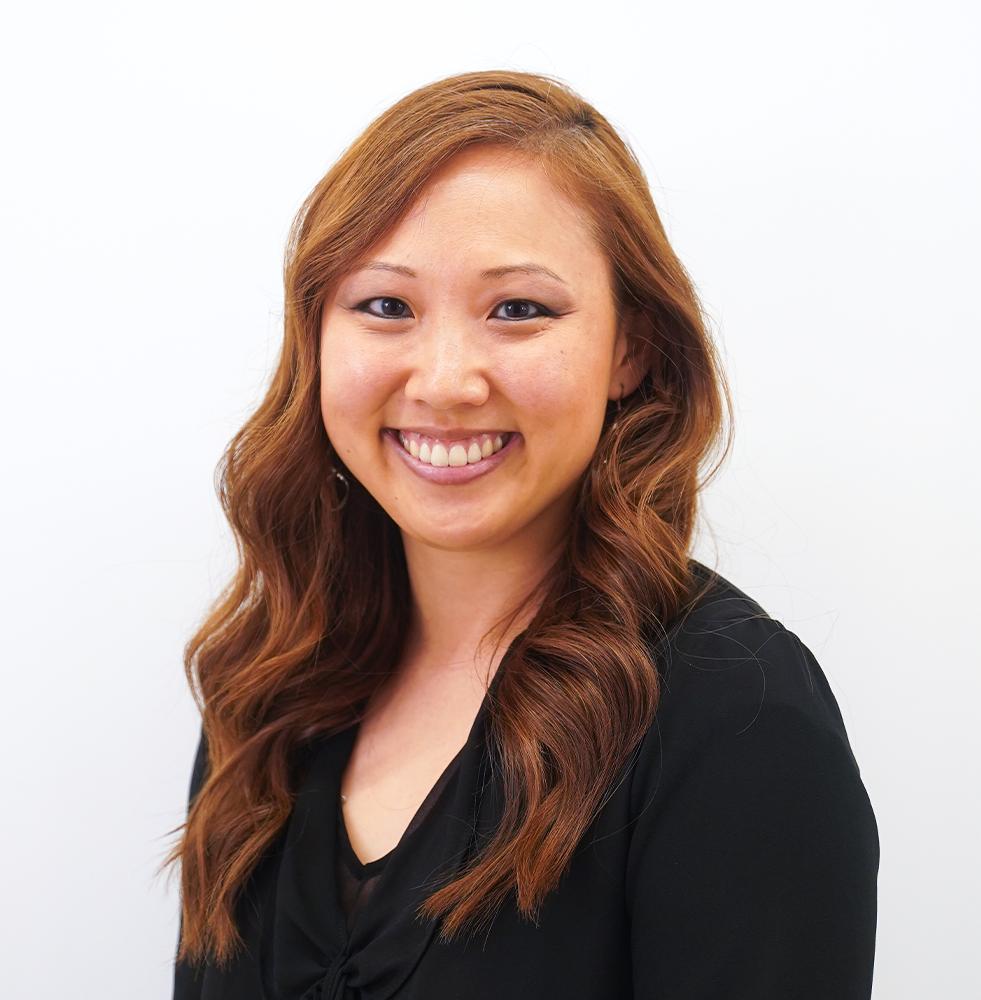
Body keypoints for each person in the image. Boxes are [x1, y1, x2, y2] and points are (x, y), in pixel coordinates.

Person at [169, 71, 878, 1000]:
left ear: (632, 349)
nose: (447, 379)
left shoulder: (737, 717)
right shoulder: (270, 685)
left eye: (519, 310)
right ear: (316, 339)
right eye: (386, 306)